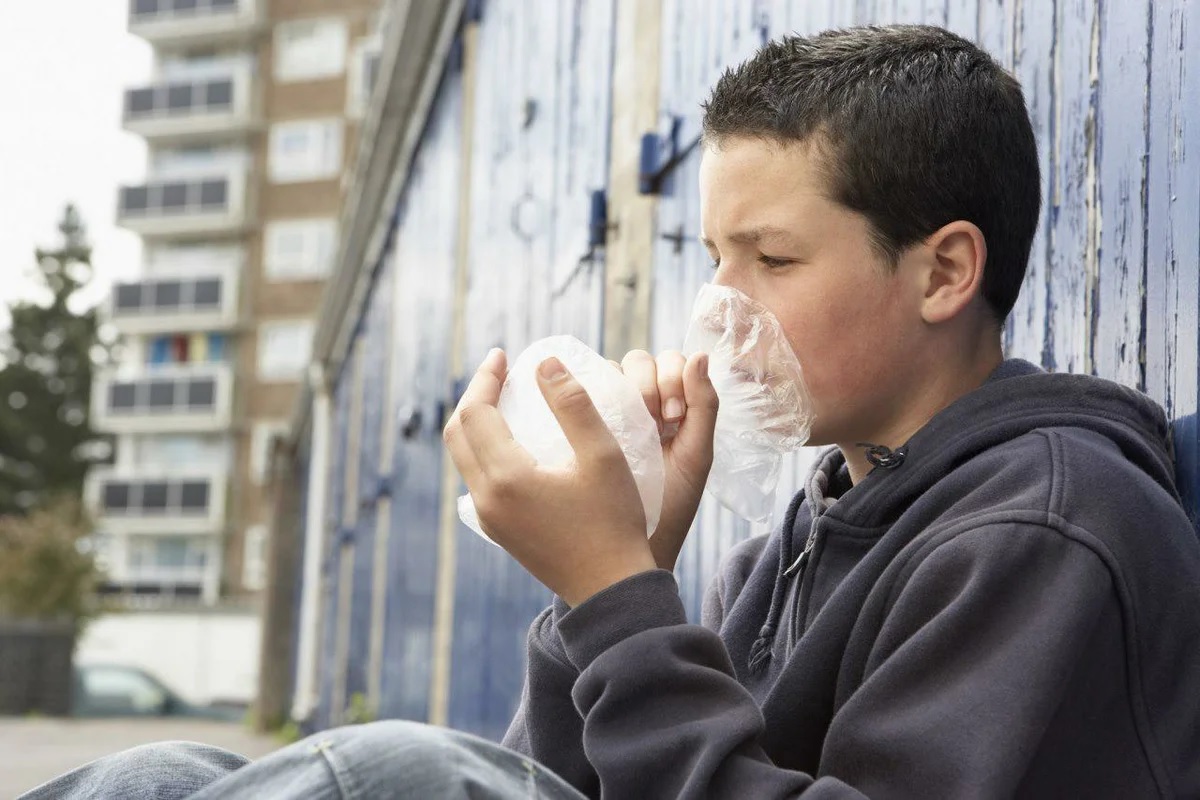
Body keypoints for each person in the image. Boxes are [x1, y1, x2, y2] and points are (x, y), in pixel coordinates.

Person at [22, 23, 1200, 800]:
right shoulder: (796, 540)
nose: (719, 302)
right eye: (714, 254)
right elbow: (557, 782)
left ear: (944, 272)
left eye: (772, 257)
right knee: (163, 772)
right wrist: (623, 568)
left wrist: (616, 595)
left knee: (394, 771)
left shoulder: (1048, 521)